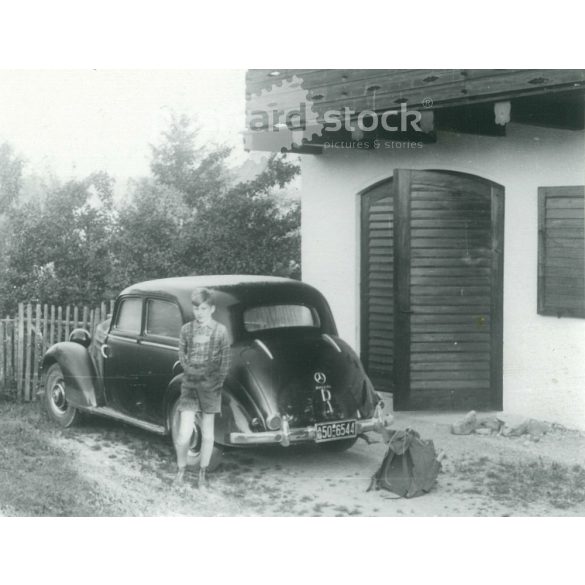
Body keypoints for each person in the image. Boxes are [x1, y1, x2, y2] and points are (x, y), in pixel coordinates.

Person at [173, 287, 231, 488]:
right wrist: (190, 371)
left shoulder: (220, 331)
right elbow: (182, 354)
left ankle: (202, 473)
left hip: (211, 388)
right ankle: (180, 470)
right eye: (196, 308)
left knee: (207, 434)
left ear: (212, 309)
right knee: (183, 434)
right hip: (189, 386)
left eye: (204, 308)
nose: (199, 312)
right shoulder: (186, 330)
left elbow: (225, 361)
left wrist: (217, 382)